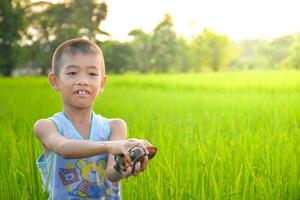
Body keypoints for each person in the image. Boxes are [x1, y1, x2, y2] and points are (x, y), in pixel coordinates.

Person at [34, 38, 153, 200]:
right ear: (55, 81)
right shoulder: (47, 126)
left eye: (92, 74)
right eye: (72, 73)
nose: (82, 81)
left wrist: (126, 163)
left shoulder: (115, 126)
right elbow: (63, 148)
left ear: (102, 83)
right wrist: (112, 146)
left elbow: (111, 174)